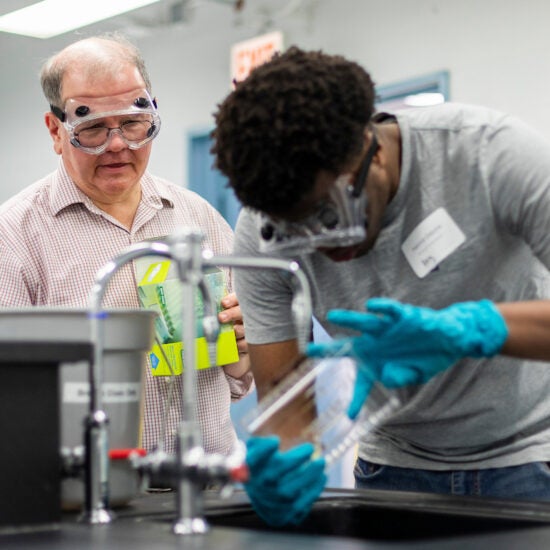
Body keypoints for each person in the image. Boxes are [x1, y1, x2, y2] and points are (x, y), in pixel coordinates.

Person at [211, 46, 550, 524]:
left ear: (373, 151)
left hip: (530, 456)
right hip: (391, 464)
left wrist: (480, 326)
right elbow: (286, 403)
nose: (322, 247)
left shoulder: (489, 152)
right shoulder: (261, 232)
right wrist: (285, 467)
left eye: (331, 216)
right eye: (296, 231)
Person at [0, 33, 253, 457]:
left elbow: (238, 378)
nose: (117, 145)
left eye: (134, 125)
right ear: (56, 130)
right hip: (84, 493)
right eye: (93, 128)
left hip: (207, 483)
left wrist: (244, 347)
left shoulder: (197, 216)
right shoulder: (15, 236)